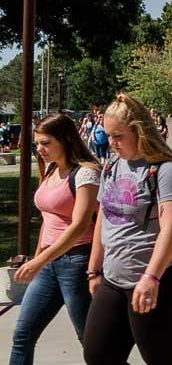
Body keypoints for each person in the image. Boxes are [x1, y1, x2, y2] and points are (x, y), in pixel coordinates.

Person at [83, 94, 172, 365]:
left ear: (140, 131)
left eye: (118, 136)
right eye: (107, 135)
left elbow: (171, 228)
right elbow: (103, 216)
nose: (110, 143)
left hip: (163, 278)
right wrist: (94, 270)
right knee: (98, 356)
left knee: (162, 359)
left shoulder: (169, 170)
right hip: (114, 278)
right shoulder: (112, 166)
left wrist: (151, 278)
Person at [10, 114, 100, 365]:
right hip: (48, 265)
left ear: (66, 139)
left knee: (91, 342)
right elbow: (48, 219)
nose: (40, 150)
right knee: (23, 336)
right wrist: (39, 257)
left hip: (77, 262)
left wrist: (39, 261)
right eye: (37, 143)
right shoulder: (50, 169)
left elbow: (80, 224)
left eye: (46, 143)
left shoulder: (86, 173)